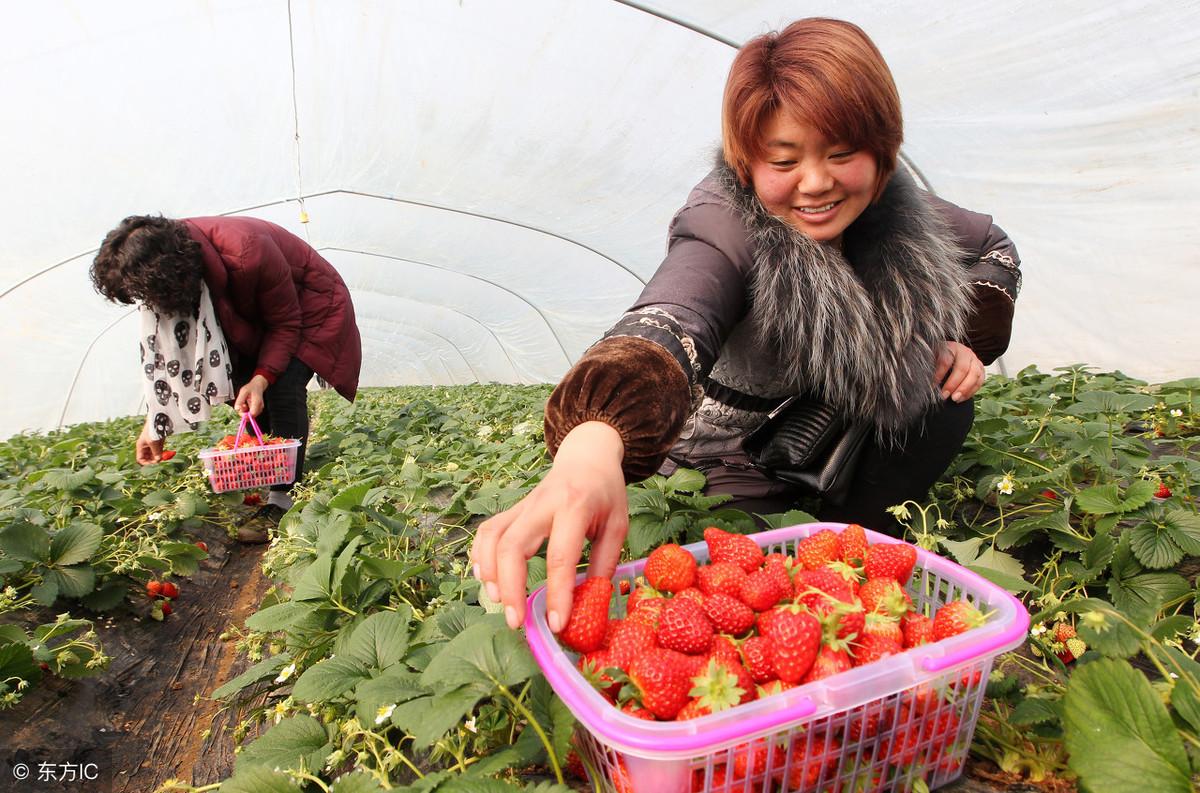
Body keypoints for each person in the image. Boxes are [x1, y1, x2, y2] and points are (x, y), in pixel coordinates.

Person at [472, 18, 1021, 630]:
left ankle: (867, 538)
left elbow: (993, 247)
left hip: (809, 420)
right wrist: (592, 446)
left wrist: (955, 336)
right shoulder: (724, 224)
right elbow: (671, 319)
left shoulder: (897, 209)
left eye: (841, 154)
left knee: (942, 399)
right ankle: (800, 529)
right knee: (746, 585)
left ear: (883, 153)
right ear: (746, 163)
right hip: (714, 454)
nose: (816, 183)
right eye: (784, 161)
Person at [90, 215, 362, 541]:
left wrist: (262, 378)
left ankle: (282, 500)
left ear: (171, 277)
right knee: (243, 391)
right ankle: (274, 463)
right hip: (252, 316)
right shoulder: (178, 267)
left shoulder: (246, 251)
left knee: (282, 385)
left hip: (312, 307)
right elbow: (177, 354)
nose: (149, 305)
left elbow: (286, 323)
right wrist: (155, 422)